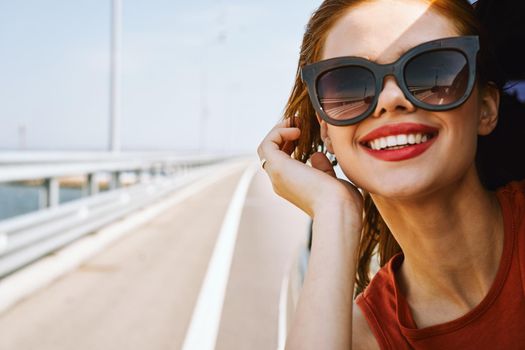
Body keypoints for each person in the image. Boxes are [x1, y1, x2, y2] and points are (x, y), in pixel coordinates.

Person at [257, 0, 525, 348]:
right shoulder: (357, 337)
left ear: (486, 109)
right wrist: (335, 212)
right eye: (349, 85)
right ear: (327, 133)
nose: (391, 99)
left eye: (435, 71)